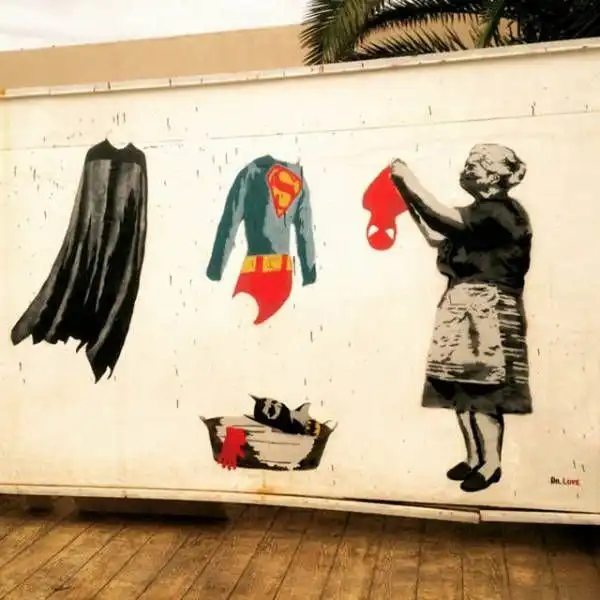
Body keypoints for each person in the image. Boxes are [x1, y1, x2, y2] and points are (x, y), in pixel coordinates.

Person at [390, 143, 533, 493]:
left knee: (483, 392)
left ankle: (491, 464)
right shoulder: (477, 214)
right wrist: (403, 191)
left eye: (475, 166)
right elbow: (435, 234)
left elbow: (439, 218)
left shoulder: (501, 212)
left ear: (494, 176)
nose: (466, 170)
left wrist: (408, 179)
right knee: (462, 389)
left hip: (490, 308)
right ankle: (474, 459)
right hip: (464, 307)